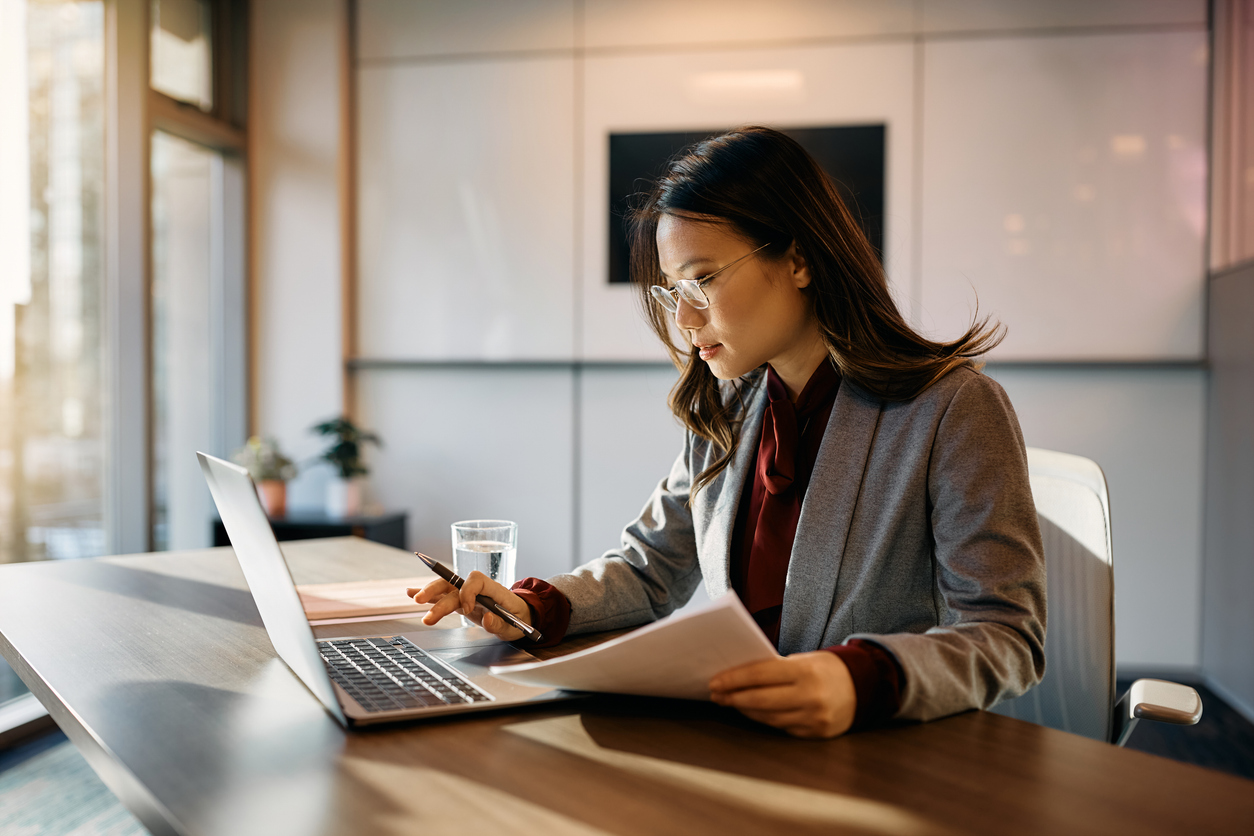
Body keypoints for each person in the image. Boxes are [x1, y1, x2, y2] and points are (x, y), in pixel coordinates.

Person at [410, 126, 1046, 739]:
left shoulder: (953, 409)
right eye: (674, 290)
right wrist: (529, 608)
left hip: (887, 754)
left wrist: (858, 678)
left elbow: (1005, 634)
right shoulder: (731, 404)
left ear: (798, 259)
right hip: (749, 741)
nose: (685, 317)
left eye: (704, 280)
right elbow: (651, 568)